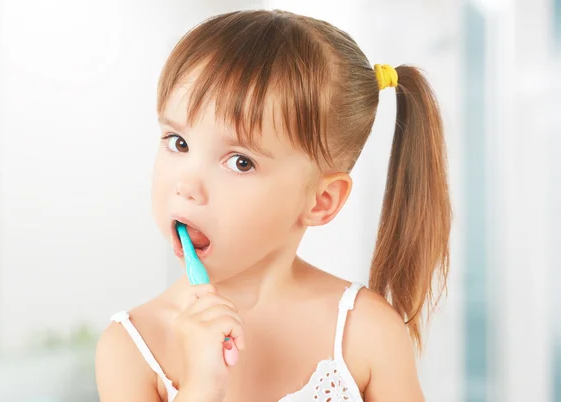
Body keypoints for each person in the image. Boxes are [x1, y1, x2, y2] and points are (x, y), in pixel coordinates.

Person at [96, 9, 451, 402]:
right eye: (178, 142)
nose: (186, 185)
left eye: (240, 161)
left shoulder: (365, 333)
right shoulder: (132, 348)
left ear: (320, 201)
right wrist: (201, 387)